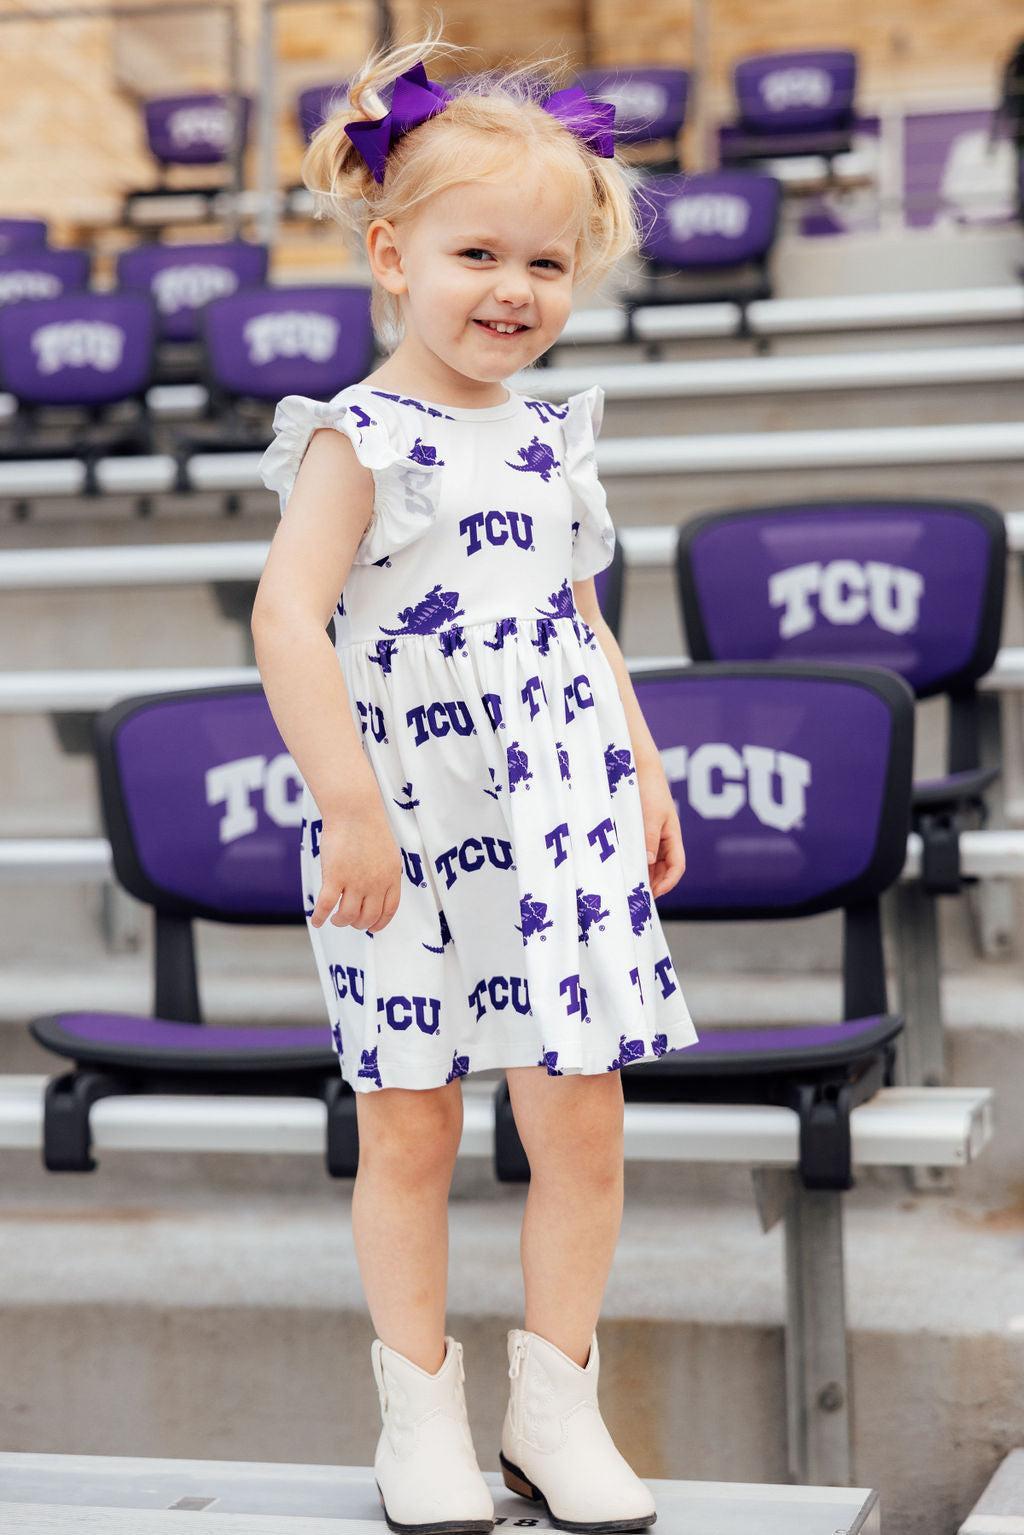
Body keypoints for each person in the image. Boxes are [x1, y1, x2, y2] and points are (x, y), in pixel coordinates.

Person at [253, 20, 698, 1534]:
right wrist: (350, 806)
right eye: (477, 255)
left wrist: (642, 771)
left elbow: (581, 618)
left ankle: (556, 1407)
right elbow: (284, 617)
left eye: (548, 266)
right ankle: (419, 1416)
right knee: (414, 1119)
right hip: (413, 828)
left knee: (583, 1113)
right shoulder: (359, 438)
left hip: (560, 811)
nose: (514, 291)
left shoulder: (553, 439)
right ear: (392, 252)